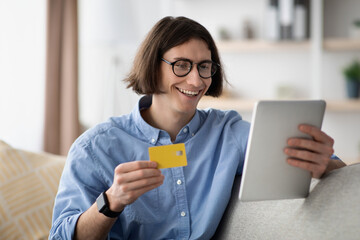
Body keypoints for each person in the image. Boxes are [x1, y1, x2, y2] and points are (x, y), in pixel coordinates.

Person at [49, 16, 346, 240]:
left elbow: (324, 167)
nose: (196, 81)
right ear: (154, 66)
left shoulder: (227, 132)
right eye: (181, 65)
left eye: (204, 66)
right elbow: (61, 235)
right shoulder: (96, 147)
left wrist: (322, 165)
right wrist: (111, 202)